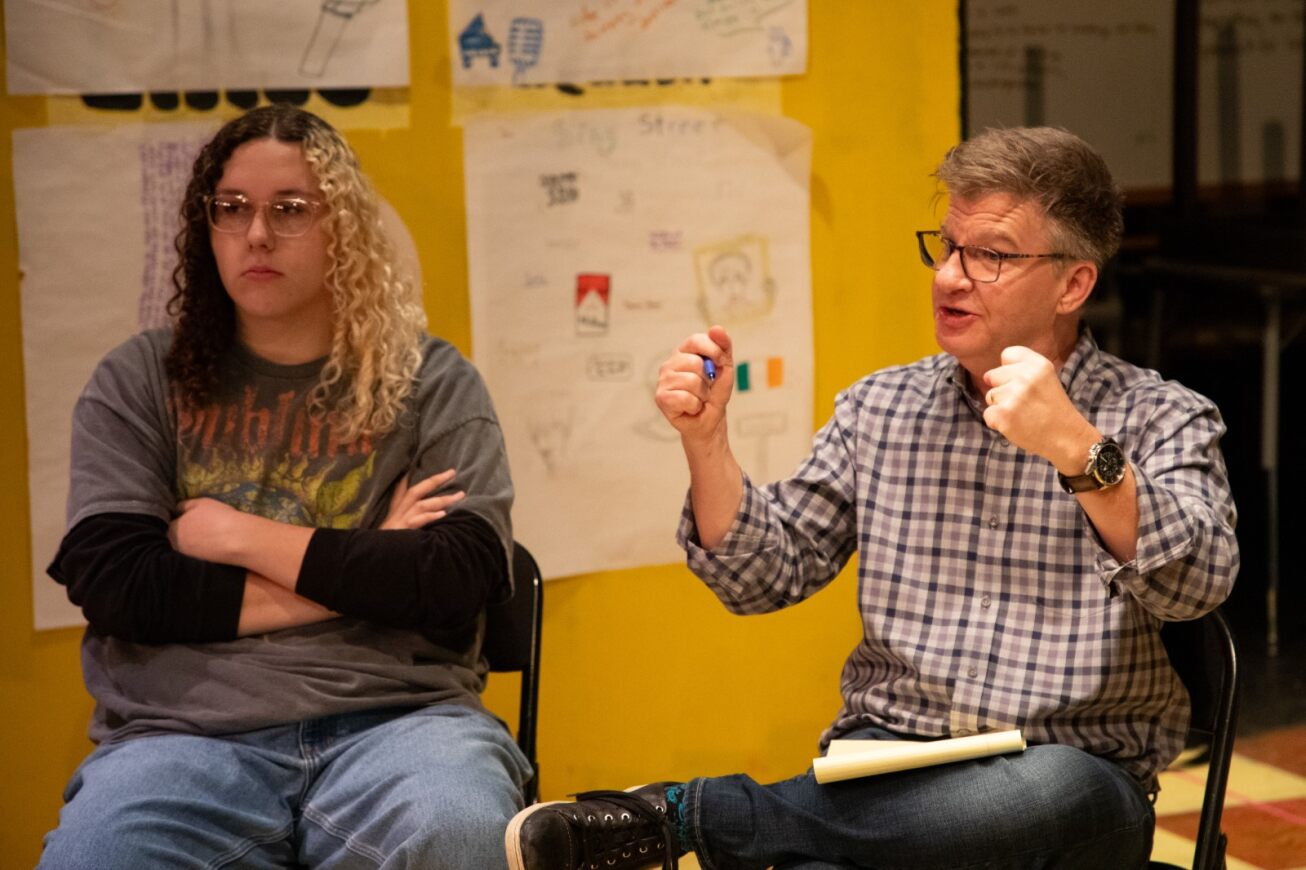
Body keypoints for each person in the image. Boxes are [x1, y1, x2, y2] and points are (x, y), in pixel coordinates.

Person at [505, 127, 1239, 869]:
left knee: (1040, 793)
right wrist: (707, 441)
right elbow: (765, 576)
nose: (950, 277)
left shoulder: (1160, 415)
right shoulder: (881, 407)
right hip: (891, 765)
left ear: (1073, 284)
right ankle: (740, 823)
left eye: (989, 255)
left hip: (1069, 775)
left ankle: (690, 814)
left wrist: (1080, 451)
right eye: (947, 246)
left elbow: (1198, 585)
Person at [40, 104, 532, 869]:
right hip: (179, 736)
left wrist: (238, 538)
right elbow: (121, 586)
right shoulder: (138, 378)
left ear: (344, 231)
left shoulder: (429, 380)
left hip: (403, 724)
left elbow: (455, 578)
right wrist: (371, 559)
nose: (257, 234)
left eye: (290, 210)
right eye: (231, 209)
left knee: (461, 835)